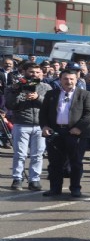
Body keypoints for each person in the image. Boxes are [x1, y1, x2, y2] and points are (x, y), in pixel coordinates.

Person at [39, 69, 90, 197]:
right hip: (55, 132)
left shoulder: (85, 94)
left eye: (71, 79)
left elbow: (89, 114)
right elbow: (43, 113)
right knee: (55, 162)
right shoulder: (51, 94)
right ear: (60, 80)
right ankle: (55, 188)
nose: (68, 81)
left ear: (76, 80)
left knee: (75, 162)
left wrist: (79, 128)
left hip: (75, 133)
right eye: (65, 79)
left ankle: (75, 188)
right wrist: (45, 126)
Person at [6, 63, 52, 191]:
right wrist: (17, 91)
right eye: (31, 72)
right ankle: (17, 179)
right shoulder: (14, 87)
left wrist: (37, 97)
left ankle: (34, 180)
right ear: (24, 72)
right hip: (21, 124)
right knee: (20, 154)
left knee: (37, 154)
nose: (35, 74)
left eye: (37, 72)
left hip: (40, 125)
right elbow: (10, 105)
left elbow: (50, 106)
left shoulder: (46, 87)